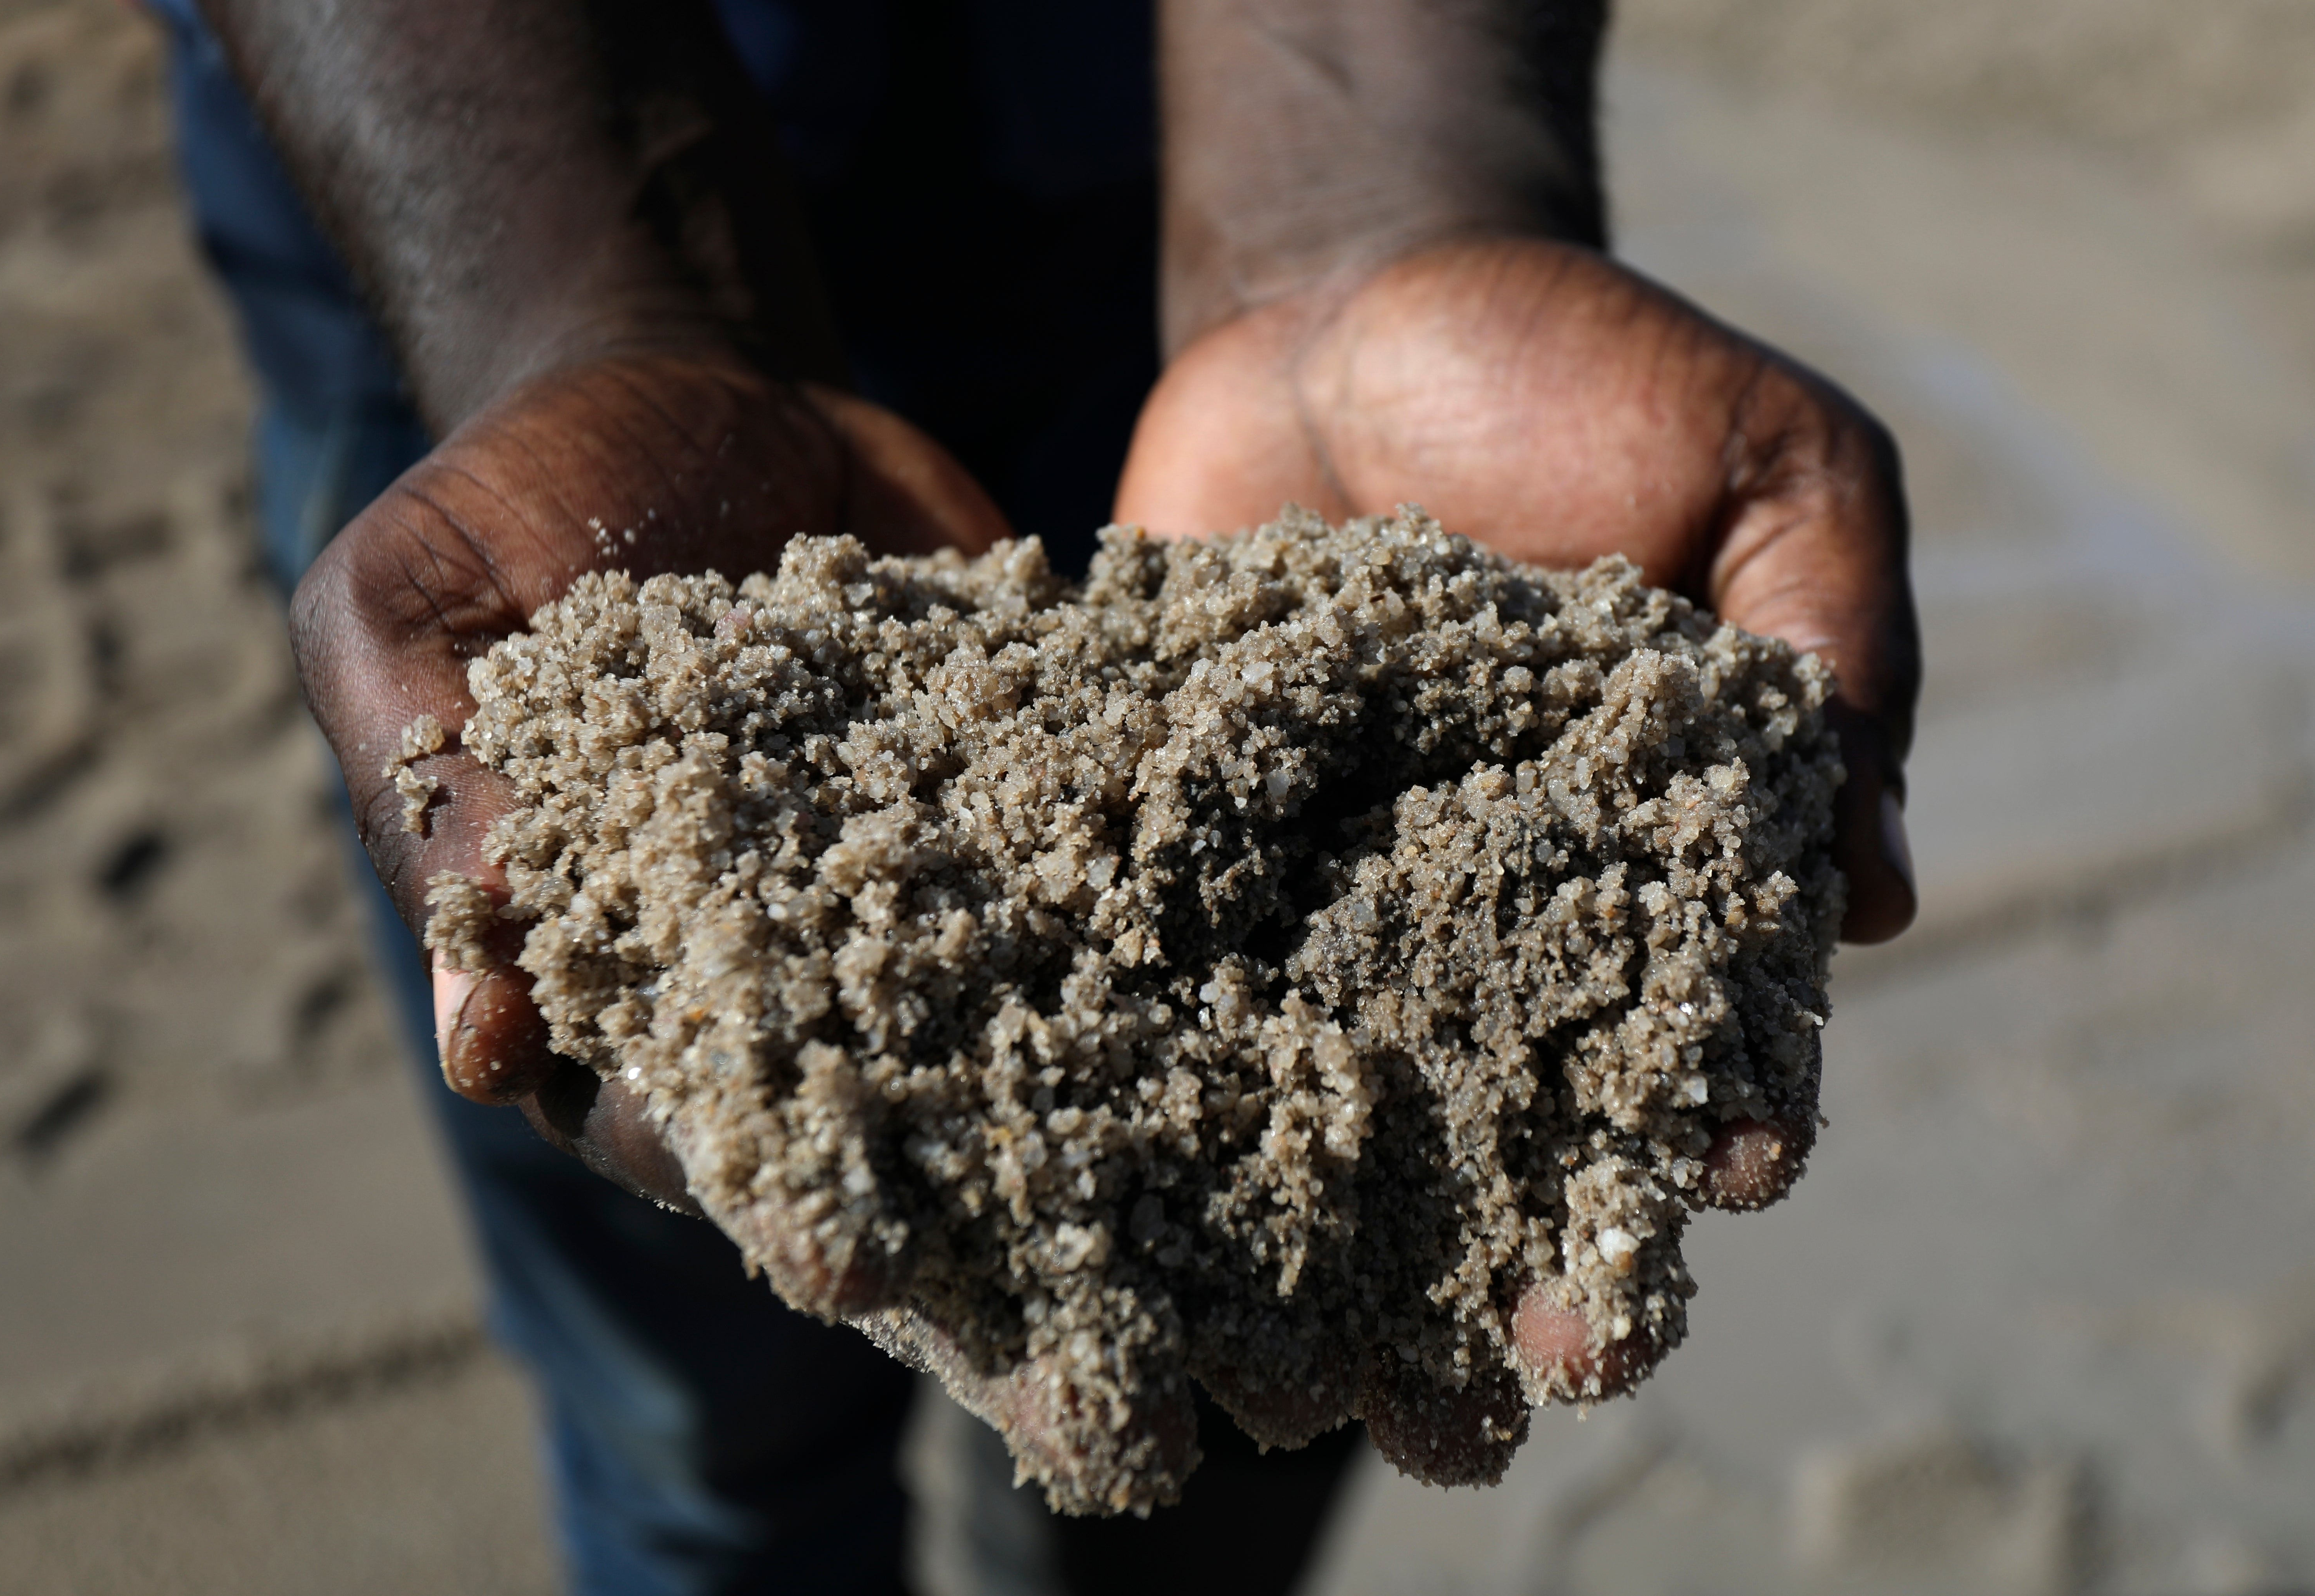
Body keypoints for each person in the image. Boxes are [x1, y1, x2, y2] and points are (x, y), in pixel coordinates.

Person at [150, 2, 1920, 1592]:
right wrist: (575, 294)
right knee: (702, 1426)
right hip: (479, 207)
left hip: (1151, 194)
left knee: (1253, 1369)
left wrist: (1366, 202)